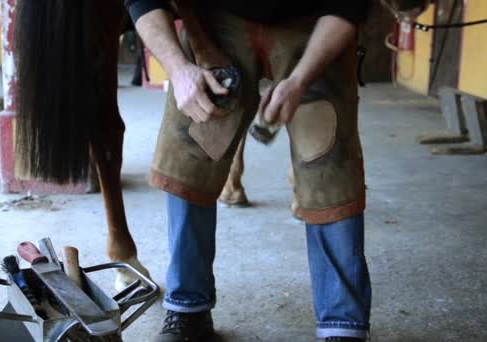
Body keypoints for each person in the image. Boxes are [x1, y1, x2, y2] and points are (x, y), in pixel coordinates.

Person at [124, 1, 373, 341]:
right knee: (192, 153)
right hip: (216, 18)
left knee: (327, 163)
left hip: (315, 19)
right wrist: (178, 68)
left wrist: (300, 79)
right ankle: (188, 308)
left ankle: (342, 325)